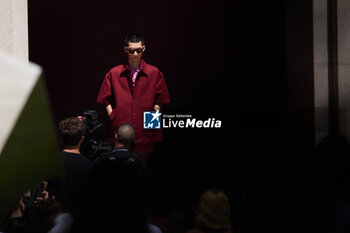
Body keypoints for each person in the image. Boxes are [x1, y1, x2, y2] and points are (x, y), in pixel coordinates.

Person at [96, 33, 171, 160]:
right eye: (131, 50)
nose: (135, 54)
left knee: (142, 165)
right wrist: (114, 117)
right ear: (126, 49)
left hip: (145, 126)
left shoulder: (154, 72)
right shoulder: (114, 73)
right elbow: (105, 99)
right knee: (121, 165)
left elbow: (161, 99)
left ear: (144, 49)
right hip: (121, 127)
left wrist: (151, 121)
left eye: (138, 50)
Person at [48, 117, 92, 225]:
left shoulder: (50, 163)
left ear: (61, 139)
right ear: (82, 138)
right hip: (81, 222)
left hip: (55, 221)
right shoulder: (89, 166)